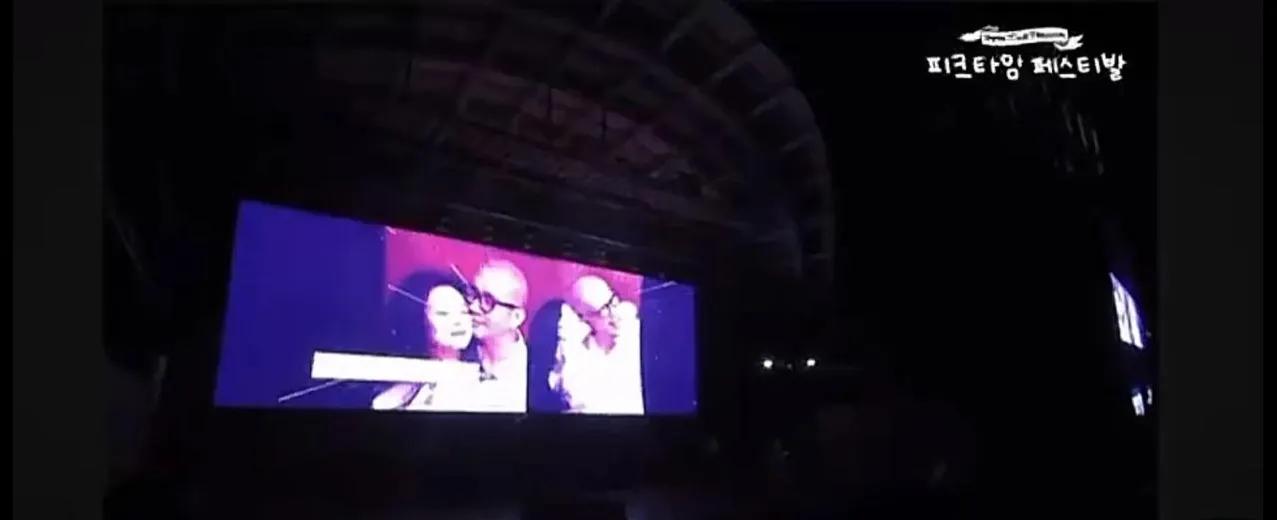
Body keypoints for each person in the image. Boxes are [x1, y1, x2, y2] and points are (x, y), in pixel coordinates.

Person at [372, 271, 480, 411]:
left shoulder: (487, 382)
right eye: (443, 313)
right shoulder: (392, 399)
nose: (458, 321)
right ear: (417, 320)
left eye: (464, 312)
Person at [549, 275, 645, 414]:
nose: (613, 314)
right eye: (602, 311)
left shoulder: (638, 336)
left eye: (612, 301)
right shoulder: (575, 363)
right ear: (583, 318)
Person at [465, 259, 530, 412]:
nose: (473, 307)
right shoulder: (459, 351)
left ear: (516, 317)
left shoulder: (535, 370)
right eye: (473, 294)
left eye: (488, 301)